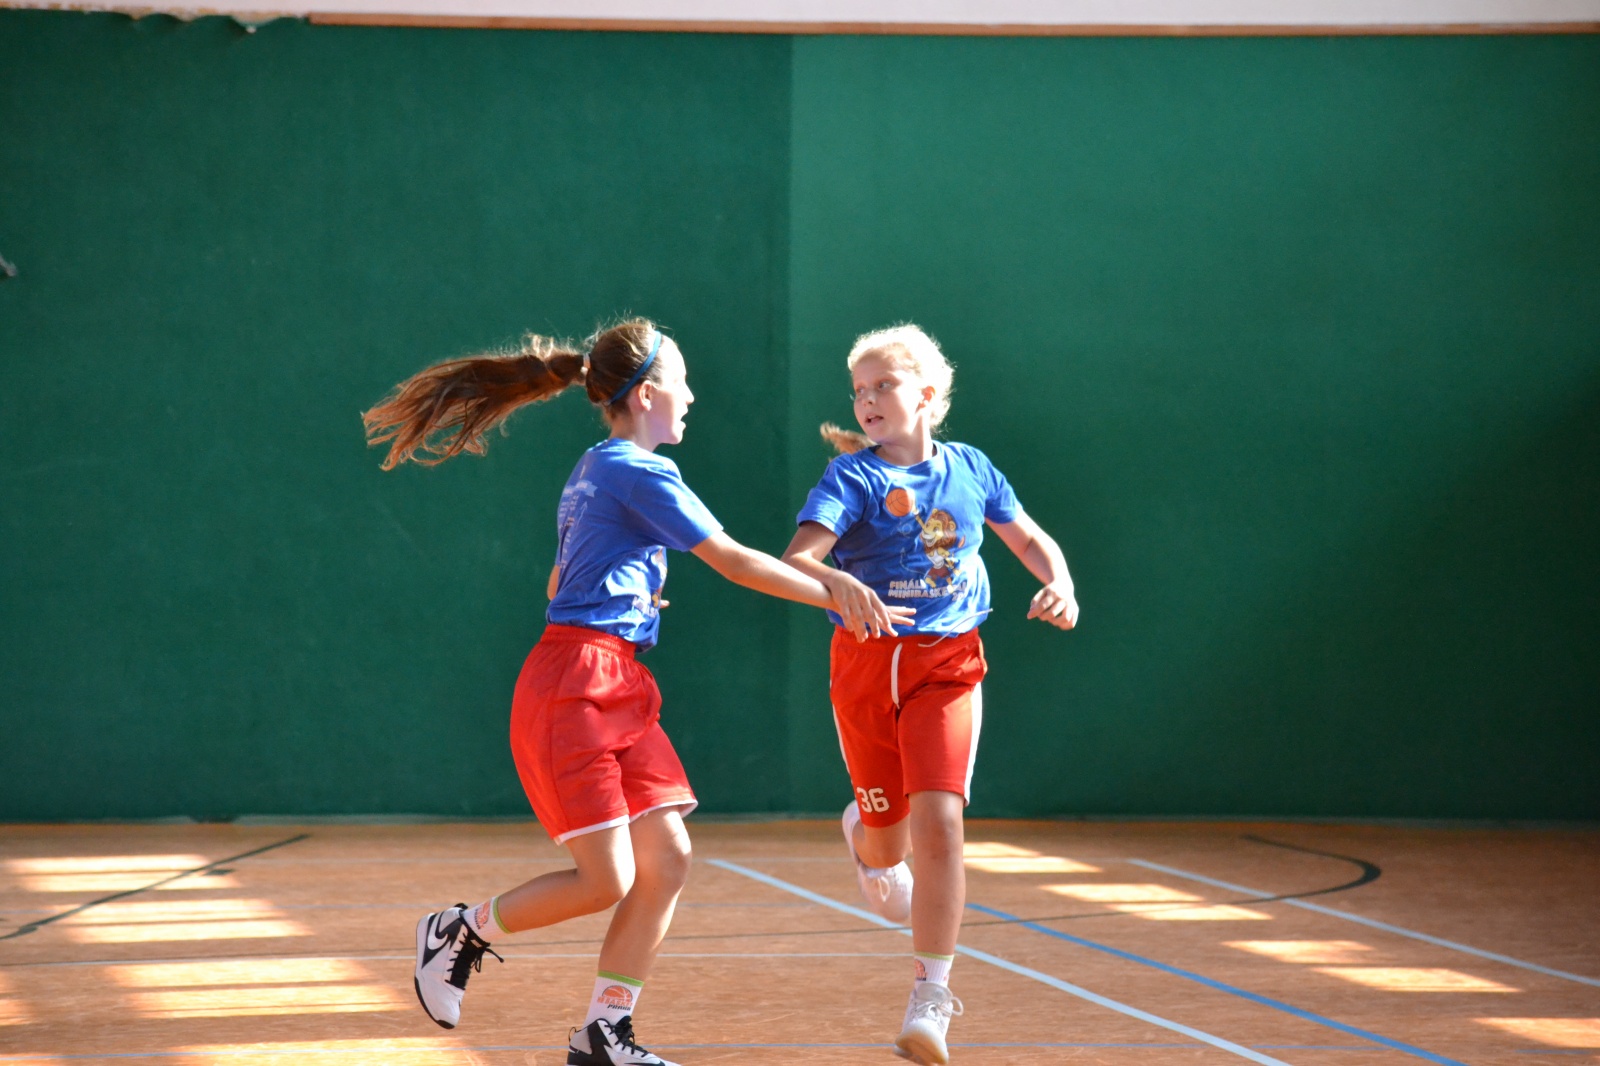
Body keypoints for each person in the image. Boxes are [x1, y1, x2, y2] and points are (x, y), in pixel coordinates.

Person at [363, 318, 910, 1066]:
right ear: (648, 394)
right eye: (681, 381)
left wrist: (626, 592)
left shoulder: (596, 467)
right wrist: (836, 589)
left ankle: (604, 1034)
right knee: (608, 878)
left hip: (614, 674)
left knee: (668, 859)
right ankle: (460, 930)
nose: (692, 395)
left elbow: (559, 581)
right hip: (576, 682)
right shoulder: (639, 472)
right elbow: (735, 561)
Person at [781, 324, 1079, 1065]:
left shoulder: (971, 469)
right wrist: (838, 582)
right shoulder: (851, 478)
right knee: (890, 839)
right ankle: (867, 838)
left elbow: (1030, 539)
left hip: (947, 663)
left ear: (927, 392)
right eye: (859, 390)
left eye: (883, 385)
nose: (868, 400)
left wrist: (1060, 582)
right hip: (864, 667)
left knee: (940, 821)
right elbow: (799, 559)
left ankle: (931, 998)